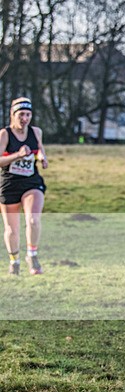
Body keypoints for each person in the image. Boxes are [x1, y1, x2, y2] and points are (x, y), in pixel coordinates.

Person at [0, 97, 48, 275]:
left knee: (33, 220)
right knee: (11, 230)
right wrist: (17, 156)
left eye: (28, 114)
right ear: (13, 115)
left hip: (31, 182)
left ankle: (32, 256)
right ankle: (14, 261)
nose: (25, 118)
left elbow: (39, 149)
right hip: (9, 183)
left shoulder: (36, 132)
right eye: (21, 114)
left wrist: (42, 157)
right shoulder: (5, 134)